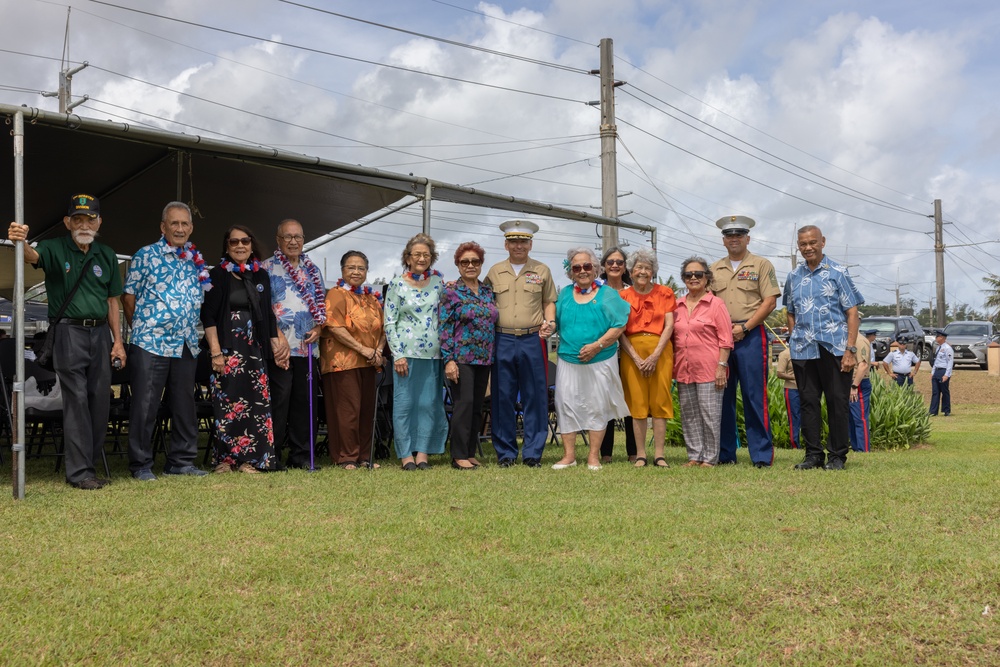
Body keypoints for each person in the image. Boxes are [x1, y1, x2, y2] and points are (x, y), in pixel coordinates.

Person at [6, 194, 126, 490]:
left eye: (90, 219)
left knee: (100, 400)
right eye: (78, 219)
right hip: (69, 333)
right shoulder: (55, 247)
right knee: (76, 400)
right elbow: (31, 257)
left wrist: (118, 341)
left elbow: (113, 301)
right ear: (67, 222)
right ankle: (79, 472)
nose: (84, 224)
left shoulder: (107, 254)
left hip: (100, 334)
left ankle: (89, 464)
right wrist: (19, 241)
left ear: (99, 221)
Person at [122, 201, 210, 481]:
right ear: (163, 227)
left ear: (191, 228)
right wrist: (142, 329)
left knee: (185, 404)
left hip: (185, 342)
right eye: (175, 223)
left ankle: (181, 462)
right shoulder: (145, 255)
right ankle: (141, 464)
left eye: (185, 224)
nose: (180, 228)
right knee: (146, 404)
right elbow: (129, 297)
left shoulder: (195, 259)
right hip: (151, 341)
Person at [201, 225, 283, 473]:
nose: (240, 246)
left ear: (251, 244)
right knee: (228, 403)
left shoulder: (260, 276)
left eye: (244, 241)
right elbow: (208, 316)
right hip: (227, 348)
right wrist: (216, 352)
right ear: (227, 247)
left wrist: (276, 346)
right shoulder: (217, 275)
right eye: (234, 242)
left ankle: (254, 460)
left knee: (256, 404)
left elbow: (268, 314)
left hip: (254, 349)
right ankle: (227, 460)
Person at [784, 225, 864, 471]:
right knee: (808, 402)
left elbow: (852, 313)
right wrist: (795, 337)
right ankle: (813, 455)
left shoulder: (838, 272)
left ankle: (837, 456)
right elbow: (790, 311)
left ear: (823, 242)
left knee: (836, 402)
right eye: (803, 244)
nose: (808, 248)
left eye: (812, 242)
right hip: (804, 350)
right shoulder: (793, 276)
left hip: (835, 348)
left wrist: (850, 350)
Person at [483, 220, 558, 468]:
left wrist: (550, 322)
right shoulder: (494, 272)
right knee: (502, 396)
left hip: (532, 338)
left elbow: (549, 301)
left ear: (530, 244)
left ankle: (533, 453)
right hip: (501, 338)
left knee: (534, 396)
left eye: (523, 241)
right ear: (506, 244)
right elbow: (482, 301)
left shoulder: (542, 270)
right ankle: (505, 452)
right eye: (513, 241)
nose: (518, 246)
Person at [709, 215, 780, 468]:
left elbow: (770, 301)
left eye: (739, 234)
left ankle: (760, 455)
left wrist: (745, 327)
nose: (734, 238)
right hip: (721, 338)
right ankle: (725, 453)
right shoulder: (714, 268)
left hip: (751, 336)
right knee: (722, 397)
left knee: (754, 397)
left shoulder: (761, 265)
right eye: (730, 235)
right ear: (723, 240)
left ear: (748, 238)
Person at [550, 248, 630, 471]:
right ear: (571, 271)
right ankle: (569, 456)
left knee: (597, 405)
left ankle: (593, 457)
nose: (582, 271)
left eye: (587, 266)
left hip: (601, 358)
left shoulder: (608, 295)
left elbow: (620, 325)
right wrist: (548, 326)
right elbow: (554, 320)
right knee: (565, 403)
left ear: (595, 268)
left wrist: (597, 345)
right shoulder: (564, 294)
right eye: (577, 267)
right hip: (568, 358)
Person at [263, 219, 325, 469]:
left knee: (304, 403)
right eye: (287, 237)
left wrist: (319, 327)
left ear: (303, 240)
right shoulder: (266, 268)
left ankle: (302, 455)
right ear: (278, 240)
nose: (293, 242)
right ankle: (273, 455)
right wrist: (275, 337)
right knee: (279, 402)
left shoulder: (313, 270)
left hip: (307, 349)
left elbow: (322, 307)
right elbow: (262, 308)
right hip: (280, 347)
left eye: (297, 237)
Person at [384, 233, 448, 470]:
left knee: (428, 404)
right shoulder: (396, 284)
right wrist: (397, 354)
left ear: (432, 258)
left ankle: (422, 454)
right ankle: (405, 455)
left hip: (433, 355)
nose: (421, 258)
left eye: (426, 254)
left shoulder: (438, 284)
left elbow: (444, 317)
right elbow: (390, 322)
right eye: (417, 254)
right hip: (406, 356)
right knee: (404, 405)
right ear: (408, 258)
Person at [321, 250, 385, 469]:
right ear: (342, 270)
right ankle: (347, 457)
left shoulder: (371, 299)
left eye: (361, 268)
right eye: (351, 267)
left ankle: (364, 457)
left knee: (366, 411)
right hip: (343, 363)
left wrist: (378, 350)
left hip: (369, 362)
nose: (356, 272)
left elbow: (384, 329)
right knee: (347, 412)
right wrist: (362, 349)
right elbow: (334, 327)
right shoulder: (336, 294)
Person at [440, 242, 498, 470]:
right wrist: (449, 360)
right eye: (465, 262)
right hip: (461, 358)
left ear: (481, 264)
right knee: (463, 405)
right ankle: (458, 455)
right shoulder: (451, 291)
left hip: (484, 358)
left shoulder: (487, 291)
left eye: (475, 261)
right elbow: (444, 327)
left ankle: (470, 452)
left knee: (476, 407)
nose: (470, 265)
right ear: (458, 265)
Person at [617, 247, 676, 468]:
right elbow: (619, 329)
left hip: (660, 350)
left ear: (653, 271)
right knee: (637, 402)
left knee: (660, 401)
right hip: (631, 351)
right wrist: (634, 356)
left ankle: (659, 454)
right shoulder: (622, 296)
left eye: (647, 268)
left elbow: (669, 325)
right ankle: (640, 454)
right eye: (638, 267)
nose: (643, 271)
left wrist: (655, 355)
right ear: (631, 272)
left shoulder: (665, 293)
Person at [672, 258, 733, 467]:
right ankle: (694, 455)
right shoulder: (677, 305)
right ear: (683, 278)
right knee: (689, 414)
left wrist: (721, 367)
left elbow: (726, 340)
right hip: (684, 368)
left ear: (707, 277)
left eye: (698, 274)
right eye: (689, 275)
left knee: (710, 415)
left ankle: (709, 458)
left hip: (710, 369)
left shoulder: (716, 304)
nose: (693, 278)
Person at [598, 246, 637, 464]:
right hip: (603, 353)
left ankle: (633, 451)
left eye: (619, 262)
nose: (615, 265)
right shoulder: (595, 290)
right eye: (610, 262)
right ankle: (605, 453)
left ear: (625, 267)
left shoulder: (633, 291)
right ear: (603, 266)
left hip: (630, 353)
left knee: (630, 402)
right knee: (605, 402)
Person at [848, 329, 874, 452]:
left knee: (860, 418)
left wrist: (854, 386)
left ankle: (863, 449)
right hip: (849, 382)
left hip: (858, 383)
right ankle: (855, 447)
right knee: (851, 419)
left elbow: (862, 366)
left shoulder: (860, 341)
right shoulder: (850, 339)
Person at [773, 346, 801, 449]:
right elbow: (779, 374)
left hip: (805, 389)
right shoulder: (785, 354)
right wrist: (795, 377)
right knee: (794, 417)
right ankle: (795, 444)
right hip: (792, 389)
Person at [928, 330, 953, 416]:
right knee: (935, 392)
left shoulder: (947, 348)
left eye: (937, 336)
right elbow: (936, 361)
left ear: (942, 337)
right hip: (937, 371)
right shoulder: (939, 347)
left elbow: (950, 362)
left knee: (944, 391)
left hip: (943, 371)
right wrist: (932, 372)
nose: (936, 338)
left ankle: (946, 410)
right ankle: (933, 411)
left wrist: (946, 375)